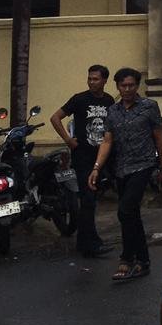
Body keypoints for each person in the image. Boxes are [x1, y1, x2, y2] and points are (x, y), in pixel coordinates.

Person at [88, 68, 162, 283]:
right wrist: (96, 167)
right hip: (121, 169)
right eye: (123, 86)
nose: (127, 89)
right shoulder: (112, 111)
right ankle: (139, 259)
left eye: (131, 85)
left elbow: (159, 137)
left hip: (143, 166)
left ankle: (128, 257)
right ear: (117, 86)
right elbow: (107, 141)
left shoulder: (149, 107)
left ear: (137, 86)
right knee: (130, 214)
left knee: (125, 210)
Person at [50, 65, 114, 257]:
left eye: (96, 79)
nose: (92, 82)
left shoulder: (109, 101)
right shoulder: (79, 99)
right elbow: (55, 118)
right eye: (90, 79)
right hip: (83, 157)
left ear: (104, 81)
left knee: (92, 200)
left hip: (101, 157)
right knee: (87, 200)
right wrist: (68, 140)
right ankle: (90, 244)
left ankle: (85, 241)